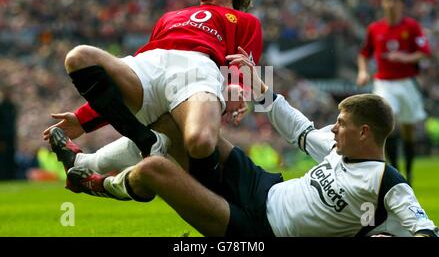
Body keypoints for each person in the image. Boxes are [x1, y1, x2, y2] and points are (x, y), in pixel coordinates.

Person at [56, 49, 438, 237]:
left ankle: (97, 185)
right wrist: (264, 93)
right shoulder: (339, 148)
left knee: (156, 168)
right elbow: (301, 131)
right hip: (260, 184)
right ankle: (83, 164)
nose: (333, 130)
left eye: (340, 124)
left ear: (365, 132)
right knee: (177, 129)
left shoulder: (387, 184)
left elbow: (424, 231)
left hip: (258, 230)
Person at [44, 0, 269, 191]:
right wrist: (83, 119)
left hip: (197, 69)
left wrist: (237, 87)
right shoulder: (169, 17)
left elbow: (244, 63)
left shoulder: (245, 21)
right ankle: (147, 143)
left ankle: (94, 167)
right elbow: (128, 79)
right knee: (79, 57)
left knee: (200, 142)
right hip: (150, 63)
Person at [356, 0, 431, 185]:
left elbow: (424, 52)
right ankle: (395, 171)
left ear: (401, 4)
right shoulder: (375, 28)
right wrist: (363, 71)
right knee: (389, 122)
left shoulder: (411, 27)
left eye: (394, 0)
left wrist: (405, 57)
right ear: (382, 3)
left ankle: (409, 171)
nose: (390, 3)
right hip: (384, 83)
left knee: (408, 129)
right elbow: (364, 53)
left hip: (407, 83)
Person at [0, 87, 18, 180]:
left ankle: (11, 176)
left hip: (11, 136)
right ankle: (3, 177)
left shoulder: (12, 106)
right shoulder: (2, 107)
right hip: (3, 137)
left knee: (10, 156)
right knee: (3, 157)